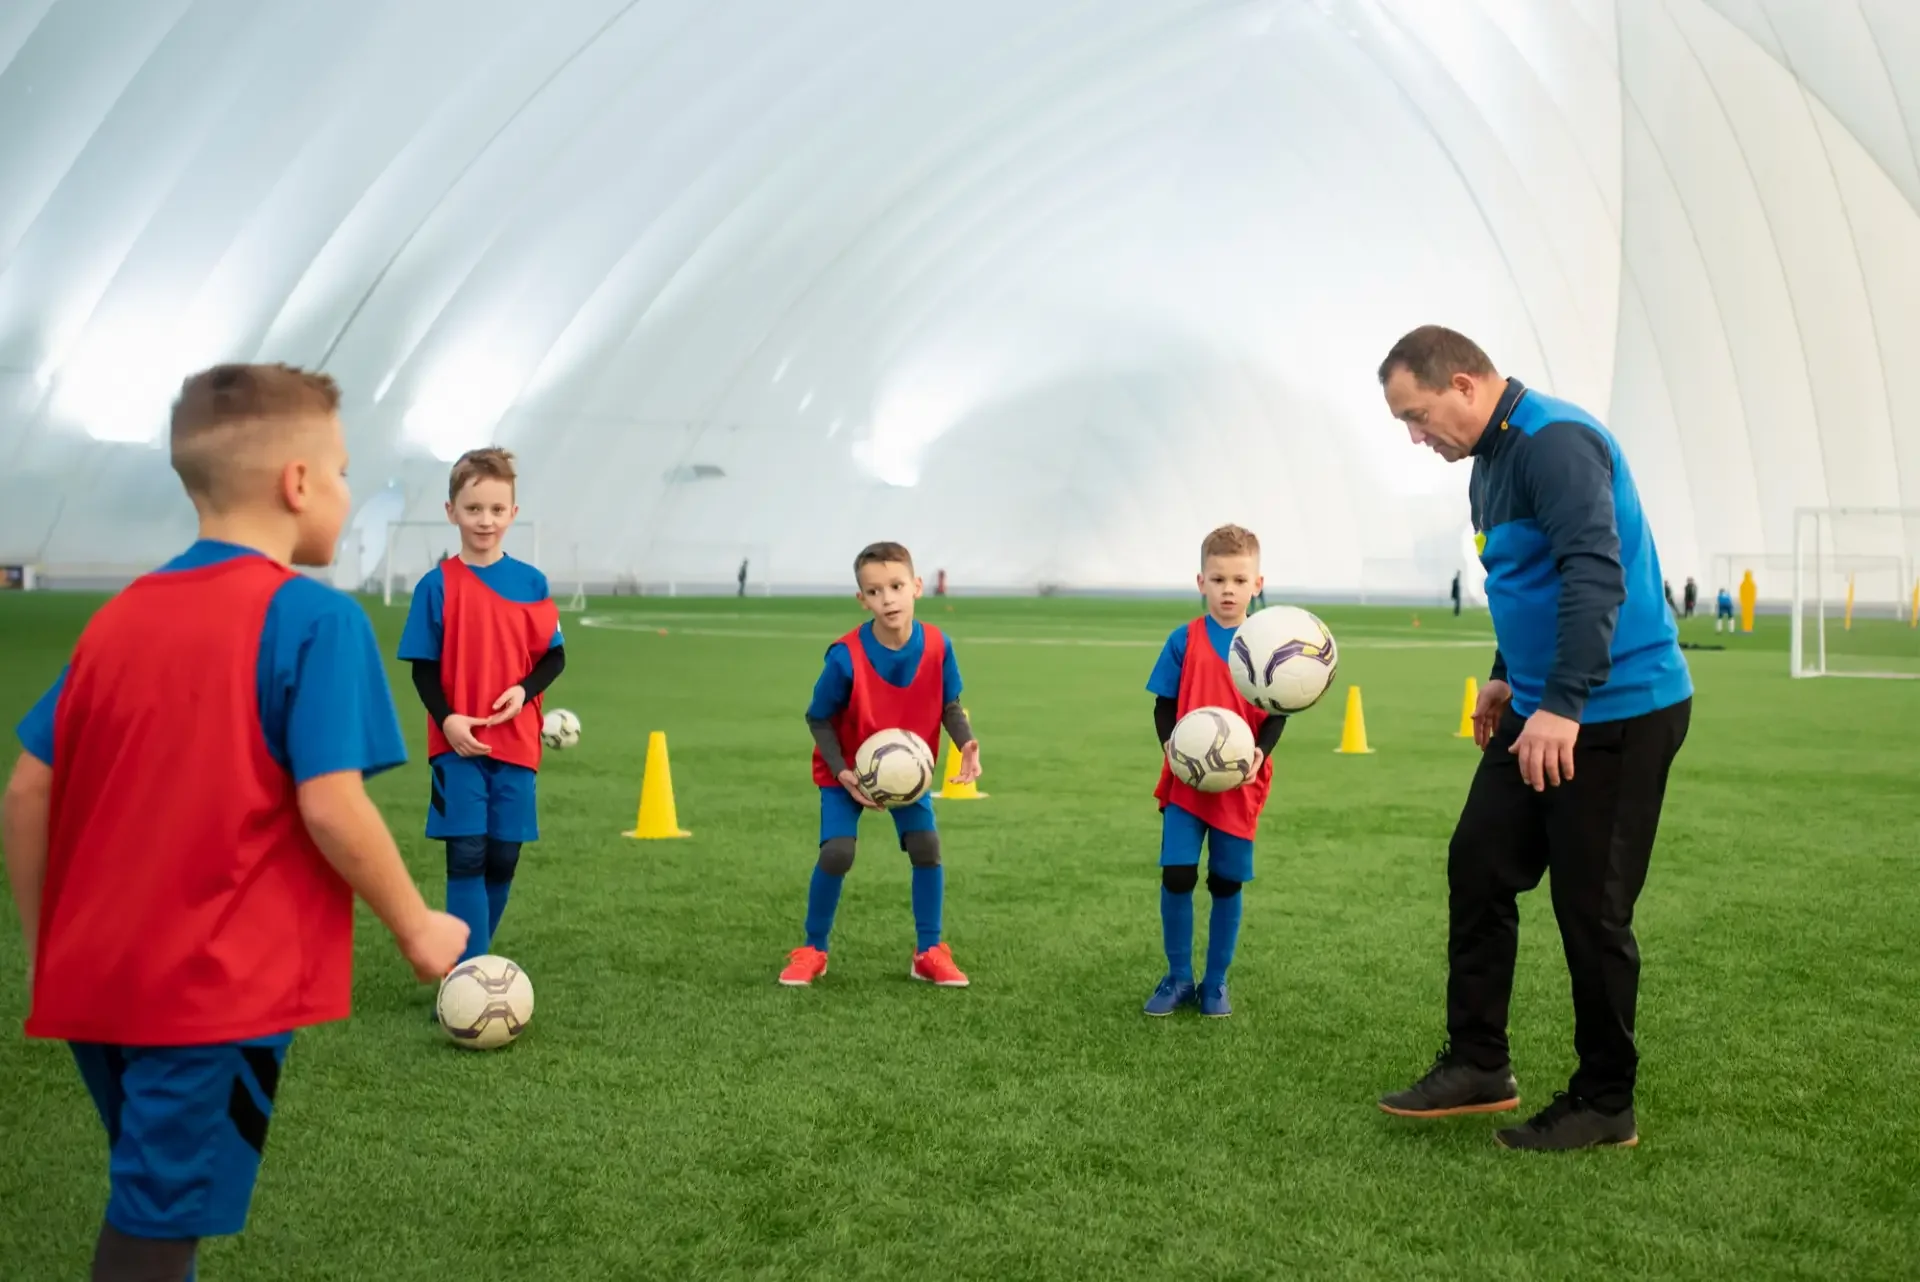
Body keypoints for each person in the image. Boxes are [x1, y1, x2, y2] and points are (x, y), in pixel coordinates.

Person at [2, 363, 468, 1282]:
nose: (343, 491)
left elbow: (26, 790)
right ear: (297, 484)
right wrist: (418, 928)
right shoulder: (311, 619)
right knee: (154, 1218)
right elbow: (332, 803)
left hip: (97, 975)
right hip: (205, 987)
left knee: (150, 1188)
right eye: (339, 472)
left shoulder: (119, 617)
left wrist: (44, 944)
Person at [1374, 326, 1692, 1151]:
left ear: (1466, 386)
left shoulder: (1556, 444)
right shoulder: (1488, 464)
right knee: (1478, 863)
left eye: (1417, 414)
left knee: (1590, 909)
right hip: (1541, 703)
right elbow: (1524, 581)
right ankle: (1480, 1064)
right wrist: (1506, 676)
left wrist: (1563, 704)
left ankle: (1605, 1100)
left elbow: (1594, 570)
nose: (1415, 436)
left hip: (1616, 710)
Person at [778, 542, 981, 988]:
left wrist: (965, 742)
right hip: (846, 769)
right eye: (875, 591)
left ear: (917, 587)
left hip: (907, 770)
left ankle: (929, 951)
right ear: (862, 599)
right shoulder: (844, 656)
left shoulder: (937, 645)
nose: (887, 598)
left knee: (926, 847)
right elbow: (818, 717)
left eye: (896, 586)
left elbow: (950, 703)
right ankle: (813, 949)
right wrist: (842, 772)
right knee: (837, 852)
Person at [398, 448, 565, 969]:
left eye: (496, 510)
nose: (485, 520)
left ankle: (469, 961)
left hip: (517, 742)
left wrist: (524, 690)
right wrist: (447, 719)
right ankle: (469, 975)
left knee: (502, 855)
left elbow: (554, 657)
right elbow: (422, 667)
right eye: (473, 509)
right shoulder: (436, 586)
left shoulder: (531, 583)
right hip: (457, 744)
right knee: (466, 853)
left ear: (513, 514)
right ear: (452, 512)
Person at [1142, 525, 1287, 1019]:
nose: (1228, 589)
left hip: (1240, 785)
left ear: (1258, 584)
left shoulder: (1264, 643)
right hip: (1185, 783)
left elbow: (1278, 712)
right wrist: (1173, 747)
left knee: (1226, 881)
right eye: (1218, 578)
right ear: (1200, 581)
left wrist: (1260, 756)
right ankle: (1179, 976)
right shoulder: (1184, 639)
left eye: (1239, 579)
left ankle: (1216, 982)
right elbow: (1164, 704)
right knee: (1178, 875)